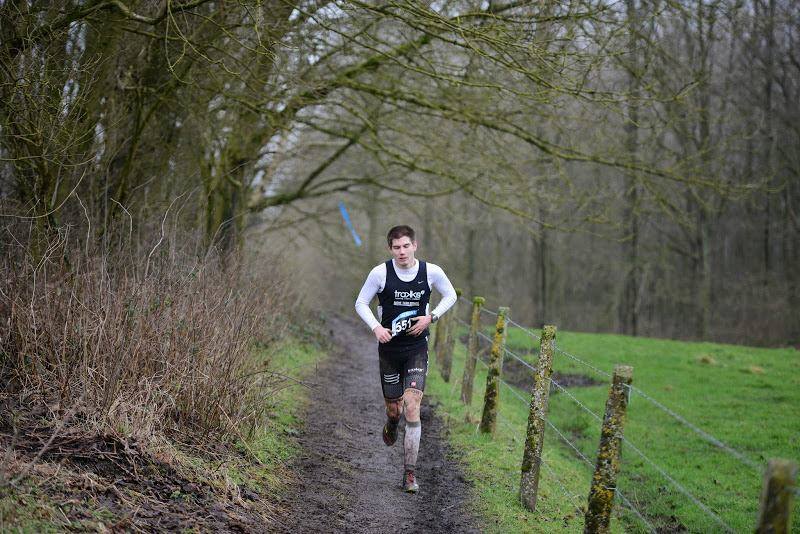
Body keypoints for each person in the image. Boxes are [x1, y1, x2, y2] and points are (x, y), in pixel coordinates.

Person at [355, 225, 457, 493]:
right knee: (395, 409)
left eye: (405, 246)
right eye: (396, 247)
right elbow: (360, 303)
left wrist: (431, 317)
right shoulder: (380, 273)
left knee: (412, 406)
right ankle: (391, 421)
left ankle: (409, 474)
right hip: (389, 350)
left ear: (415, 245)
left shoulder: (431, 272)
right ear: (391, 249)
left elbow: (452, 295)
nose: (401, 252)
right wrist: (376, 328)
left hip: (416, 349)